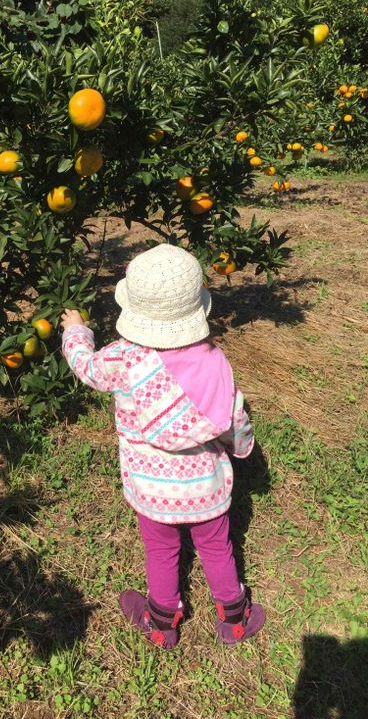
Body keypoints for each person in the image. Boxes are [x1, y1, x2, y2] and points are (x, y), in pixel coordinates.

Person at [61, 244, 265, 649]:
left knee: (160, 549)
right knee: (215, 545)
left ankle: (162, 622)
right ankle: (234, 617)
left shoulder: (122, 359)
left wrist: (76, 331)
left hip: (152, 488)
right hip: (205, 485)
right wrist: (244, 451)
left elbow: (85, 367)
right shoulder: (213, 360)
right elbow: (234, 417)